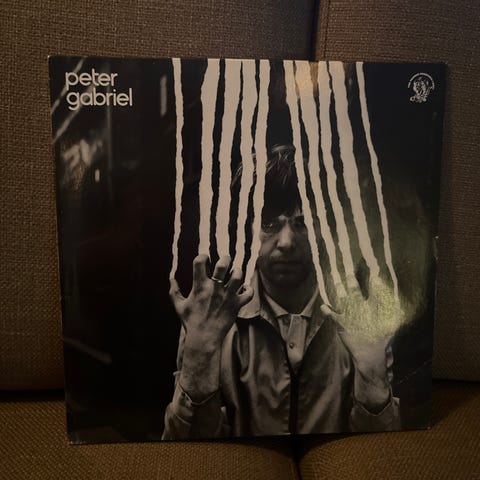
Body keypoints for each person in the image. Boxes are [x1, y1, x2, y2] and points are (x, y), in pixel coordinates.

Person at [163, 144, 402, 439]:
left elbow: (381, 452)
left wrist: (373, 379)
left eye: (303, 223)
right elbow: (186, 453)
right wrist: (198, 362)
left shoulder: (360, 317)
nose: (286, 242)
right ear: (244, 230)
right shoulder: (210, 319)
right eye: (268, 224)